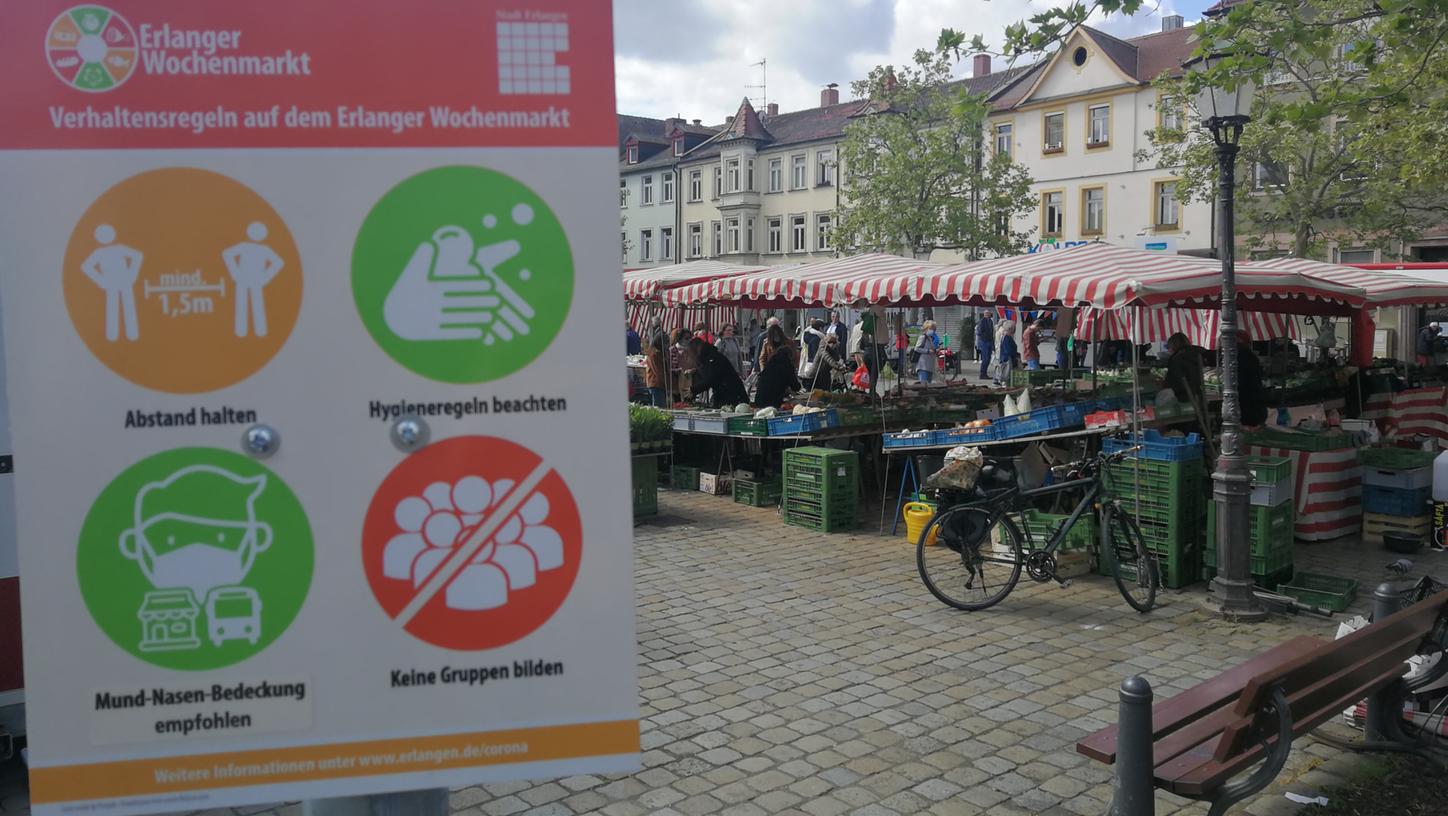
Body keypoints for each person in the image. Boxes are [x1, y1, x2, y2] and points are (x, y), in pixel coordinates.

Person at [689, 338, 749, 408]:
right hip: (723, 392)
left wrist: (694, 389)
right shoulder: (709, 357)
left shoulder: (713, 358)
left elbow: (711, 379)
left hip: (731, 393)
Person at [754, 327, 801, 409]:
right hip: (773, 399)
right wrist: (797, 387)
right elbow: (795, 385)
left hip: (760, 397)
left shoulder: (771, 362)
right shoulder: (786, 364)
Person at [1236, 330, 1269, 428]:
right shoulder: (1251, 357)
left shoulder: (1241, 357)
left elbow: (1242, 382)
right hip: (1255, 405)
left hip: (1248, 407)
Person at [1164, 333, 1205, 408]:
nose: (1168, 350)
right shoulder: (1197, 353)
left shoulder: (1176, 359)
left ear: (1173, 346)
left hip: (1182, 396)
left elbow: (1172, 381)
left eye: (1168, 347)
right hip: (1198, 394)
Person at [644, 336, 668, 408]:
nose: (668, 344)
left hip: (661, 384)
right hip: (656, 384)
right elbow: (659, 372)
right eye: (666, 342)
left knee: (661, 407)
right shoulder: (654, 355)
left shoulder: (661, 353)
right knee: (659, 408)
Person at [914, 320, 941, 384]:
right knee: (923, 386)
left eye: (934, 329)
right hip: (922, 366)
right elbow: (916, 348)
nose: (933, 331)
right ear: (926, 329)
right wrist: (928, 351)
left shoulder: (932, 338)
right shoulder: (923, 337)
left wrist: (936, 350)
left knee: (929, 386)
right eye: (931, 329)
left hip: (930, 366)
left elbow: (933, 350)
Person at [994, 319, 1017, 386]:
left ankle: (1000, 381)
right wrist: (1013, 355)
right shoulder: (1007, 337)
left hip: (1004, 357)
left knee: (1004, 372)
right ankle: (1003, 383)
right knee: (1006, 374)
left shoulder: (1005, 336)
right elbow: (1008, 349)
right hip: (1007, 358)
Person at [975, 310, 995, 380]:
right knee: (985, 358)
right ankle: (982, 374)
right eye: (986, 313)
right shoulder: (982, 321)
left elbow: (992, 332)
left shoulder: (991, 321)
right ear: (984, 314)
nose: (987, 314)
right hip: (984, 341)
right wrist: (984, 337)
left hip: (990, 341)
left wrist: (993, 343)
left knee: (988, 358)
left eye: (988, 313)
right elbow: (979, 332)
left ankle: (985, 373)